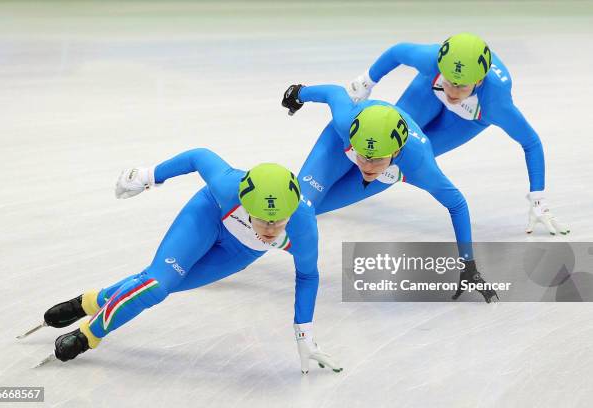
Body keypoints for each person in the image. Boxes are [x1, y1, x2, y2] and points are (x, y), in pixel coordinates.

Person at [31, 148, 342, 374]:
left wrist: (305, 335)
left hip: (237, 253)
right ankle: (88, 336)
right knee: (156, 285)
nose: (271, 229)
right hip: (207, 216)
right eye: (263, 220)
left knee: (158, 284)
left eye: (279, 222)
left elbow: (307, 276)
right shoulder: (227, 185)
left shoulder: (304, 225)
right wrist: (148, 176)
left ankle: (89, 302)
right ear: (246, 203)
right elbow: (198, 156)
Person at [282, 83, 498, 303]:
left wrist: (468, 265)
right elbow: (334, 93)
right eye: (364, 156)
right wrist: (298, 93)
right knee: (295, 208)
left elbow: (457, 204)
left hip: (389, 169)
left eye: (376, 160)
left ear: (396, 152)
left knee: (309, 212)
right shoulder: (345, 122)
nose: (367, 166)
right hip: (338, 146)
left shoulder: (419, 163)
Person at [346, 32, 568, 235]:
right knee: (384, 140)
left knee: (404, 160)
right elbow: (397, 52)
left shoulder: (496, 103)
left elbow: (531, 142)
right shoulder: (432, 60)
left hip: (470, 118)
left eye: (461, 86)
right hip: (429, 91)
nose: (452, 92)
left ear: (479, 81)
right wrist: (365, 82)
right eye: (450, 82)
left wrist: (538, 199)